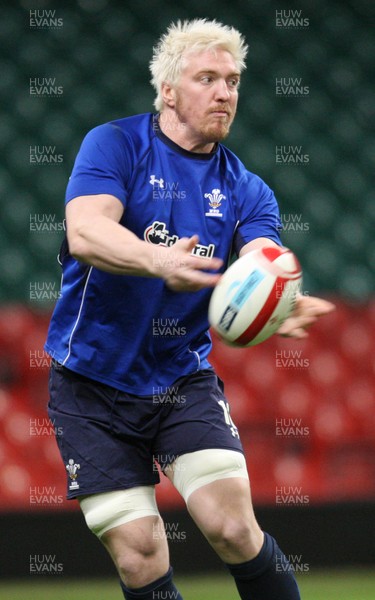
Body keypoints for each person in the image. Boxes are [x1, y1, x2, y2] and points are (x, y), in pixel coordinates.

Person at [45, 19, 334, 600]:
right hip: (90, 386)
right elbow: (85, 231)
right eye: (208, 78)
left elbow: (261, 260)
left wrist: (282, 302)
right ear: (169, 91)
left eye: (232, 80)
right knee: (141, 555)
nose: (225, 92)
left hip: (181, 377)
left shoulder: (248, 189)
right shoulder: (116, 143)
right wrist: (157, 261)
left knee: (232, 527)